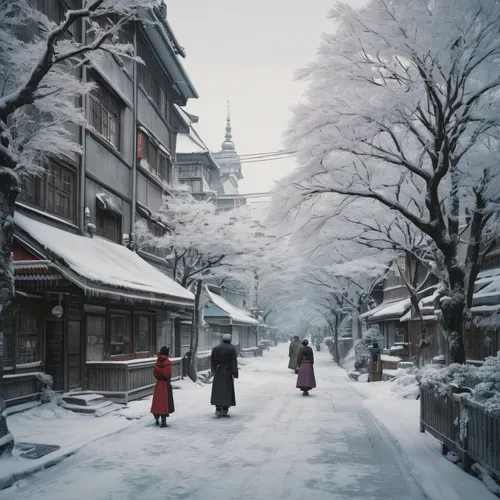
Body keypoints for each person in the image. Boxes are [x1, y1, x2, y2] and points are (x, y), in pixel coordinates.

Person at [210, 333, 239, 417]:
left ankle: (218, 408)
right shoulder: (232, 348)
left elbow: (212, 361)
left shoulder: (215, 348)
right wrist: (235, 373)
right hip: (227, 371)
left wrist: (213, 370)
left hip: (218, 371)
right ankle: (225, 408)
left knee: (218, 390)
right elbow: (233, 362)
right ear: (230, 340)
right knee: (227, 390)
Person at [150, 346, 175, 427]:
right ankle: (163, 421)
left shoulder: (157, 361)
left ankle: (156, 418)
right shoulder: (167, 362)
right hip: (165, 384)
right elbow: (167, 374)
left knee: (157, 402)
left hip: (158, 383)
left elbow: (154, 373)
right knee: (164, 402)